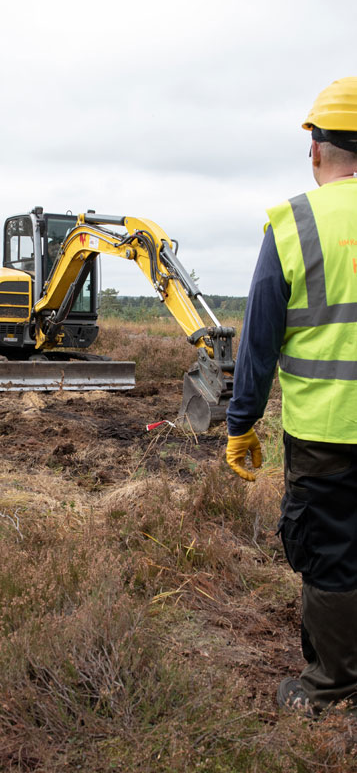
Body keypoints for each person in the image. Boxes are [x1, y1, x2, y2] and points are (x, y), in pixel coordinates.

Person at [225, 77, 357, 716]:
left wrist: (240, 423)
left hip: (325, 433)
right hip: (325, 433)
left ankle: (331, 684)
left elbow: (258, 341)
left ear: (315, 148)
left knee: (331, 554)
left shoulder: (293, 223)